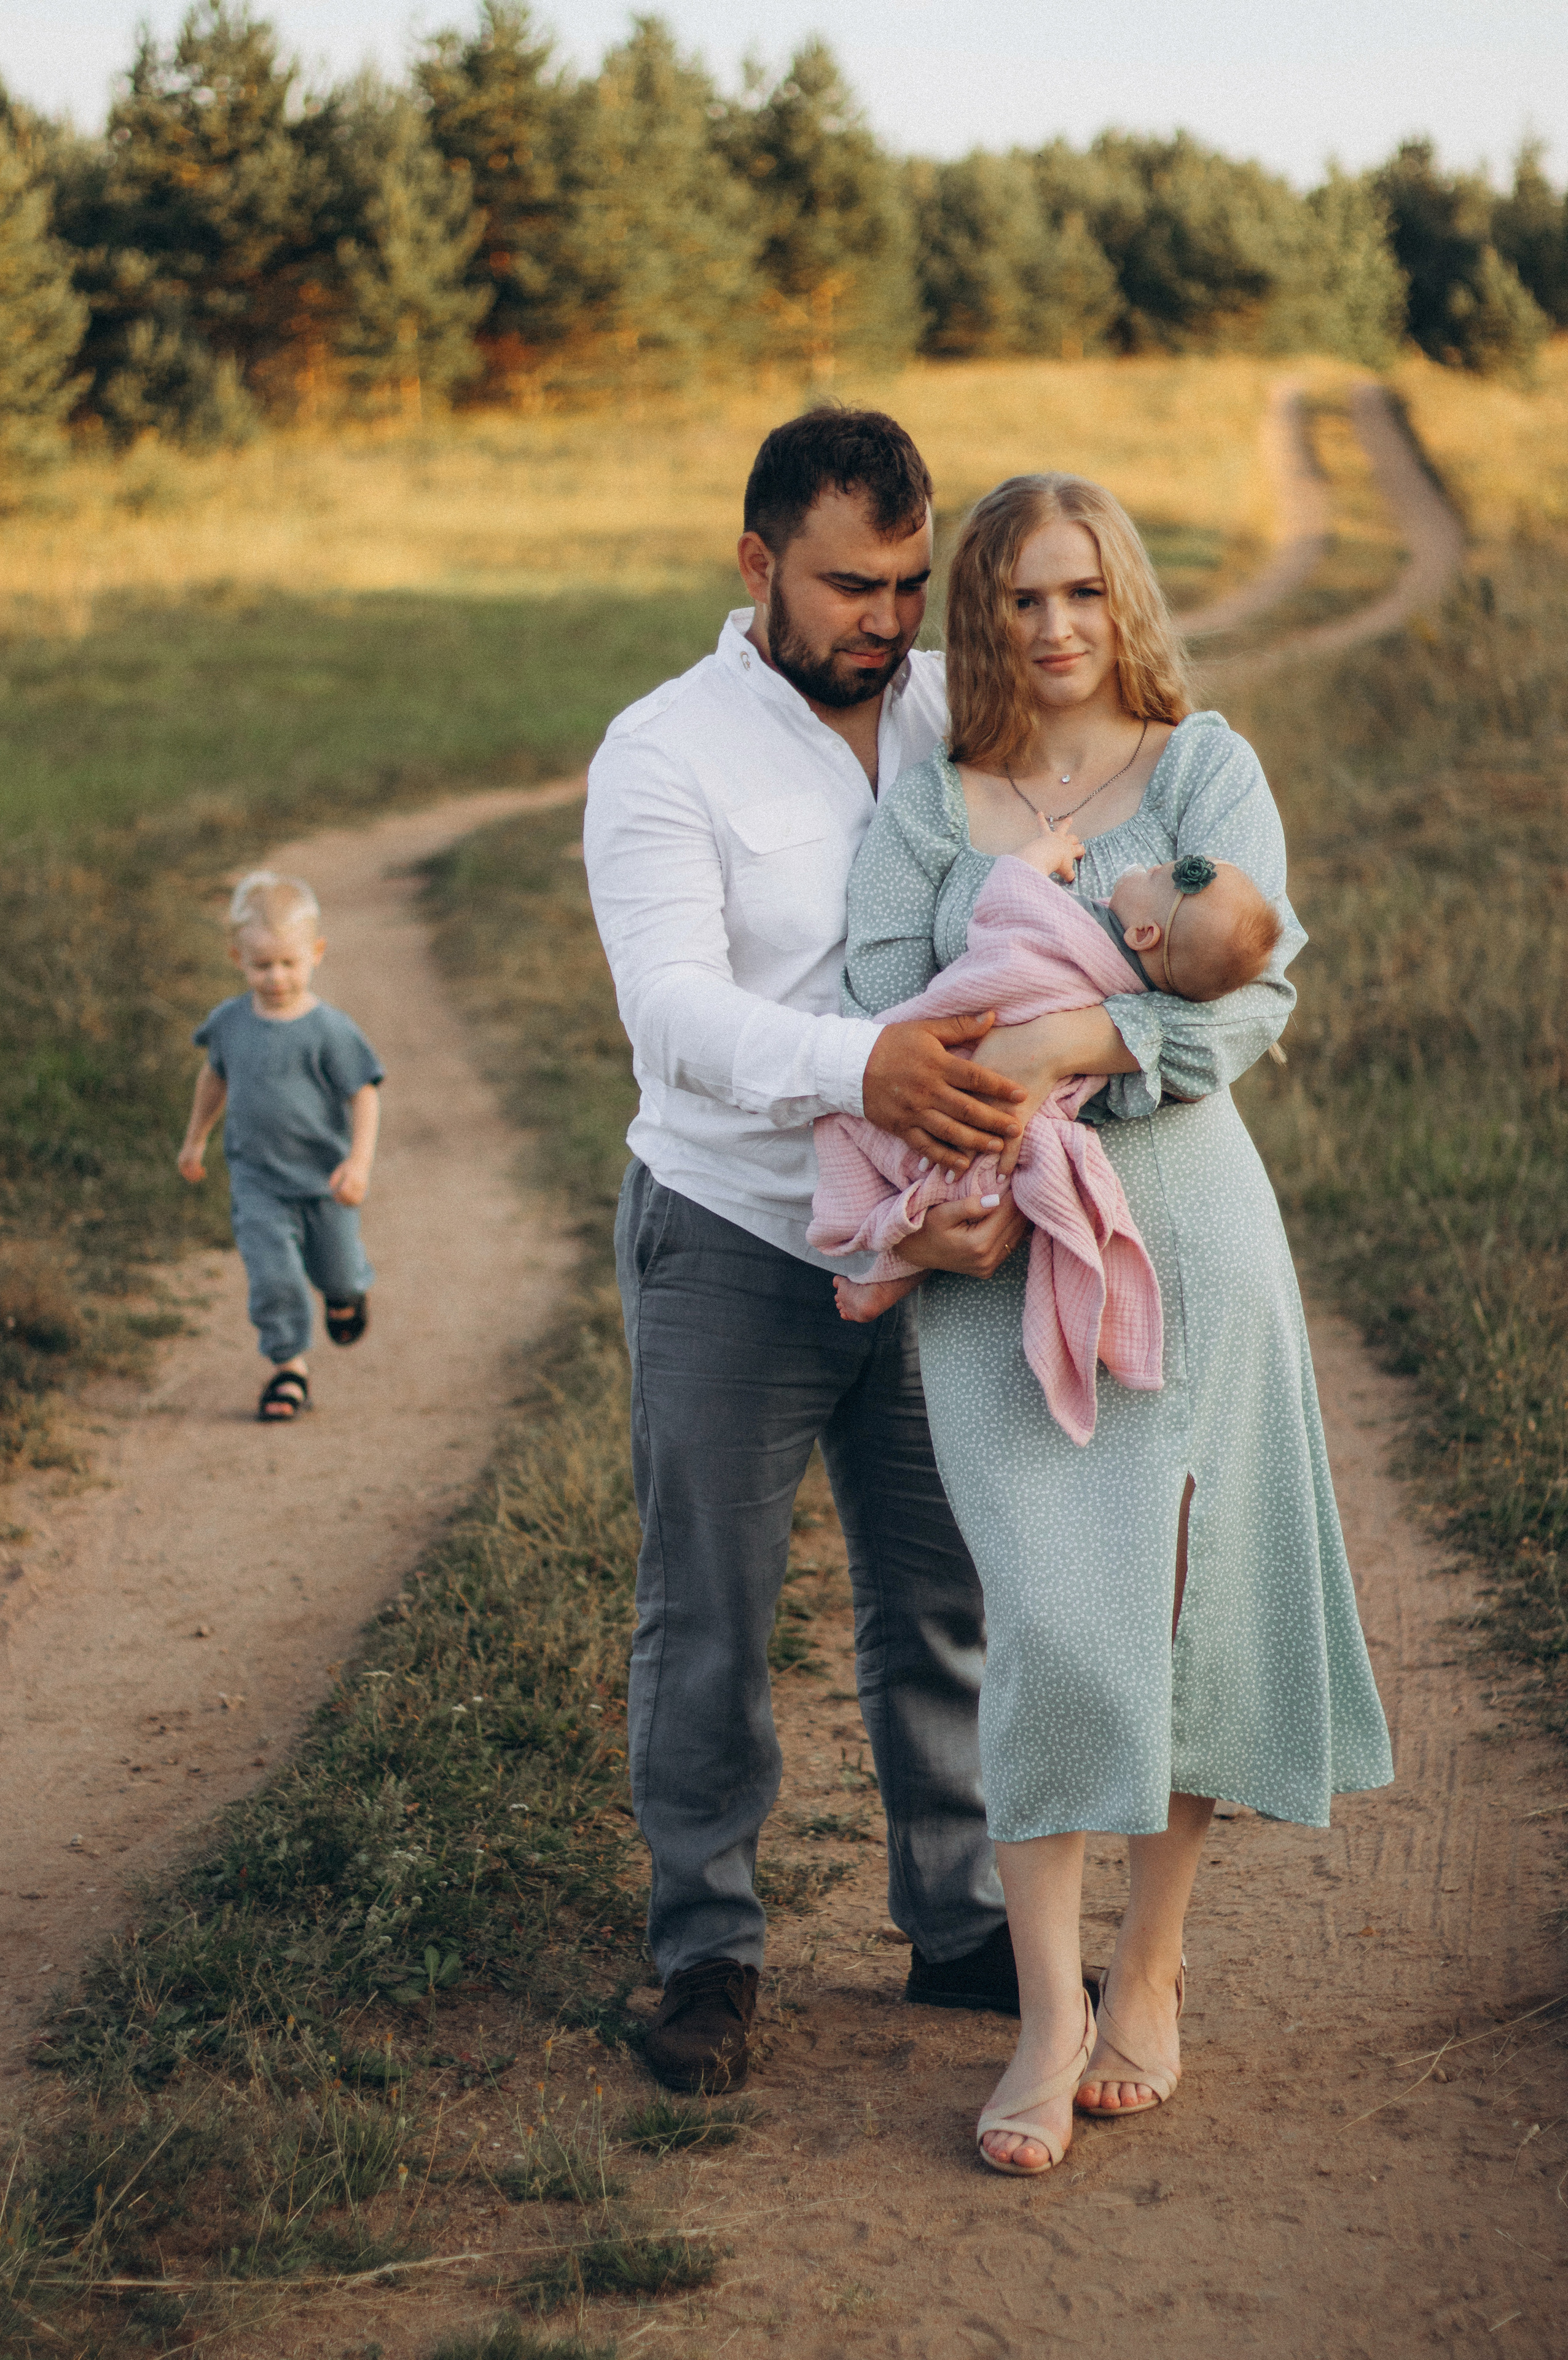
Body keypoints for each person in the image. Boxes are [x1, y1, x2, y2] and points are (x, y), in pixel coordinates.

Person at [840, 472, 1394, 2174]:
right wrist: (989, 1091)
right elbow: (876, 997)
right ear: (982, 619)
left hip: (1192, 1226)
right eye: (1020, 600)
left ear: (1122, 596)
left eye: (1083, 591)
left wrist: (1098, 1042)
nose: (1058, 627)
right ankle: (1044, 2011)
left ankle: (1145, 1970)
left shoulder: (1205, 765)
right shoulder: (935, 803)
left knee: (1186, 1600)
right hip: (1001, 1258)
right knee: (1055, 1619)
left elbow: (1265, 981)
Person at [584, 407, 1061, 2096]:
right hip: (730, 1237)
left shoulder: (951, 715)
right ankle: (704, 1950)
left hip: (935, 1250)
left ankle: (953, 1921)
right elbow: (672, 1009)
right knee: (708, 1610)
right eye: (851, 584)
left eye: (911, 584)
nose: (888, 619)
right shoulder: (662, 751)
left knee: (939, 1595)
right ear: (756, 563)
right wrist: (862, 1068)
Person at [812, 848, 1283, 1359]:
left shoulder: (1077, 930)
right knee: (973, 1178)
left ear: (1143, 934)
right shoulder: (1140, 991)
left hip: (974, 1072)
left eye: (1153, 875)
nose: (1143, 867)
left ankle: (879, 1245)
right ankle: (897, 1266)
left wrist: (1037, 857)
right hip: (1029, 1118)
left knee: (842, 1121)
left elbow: (1007, 906)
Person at [179, 870, 382, 1423]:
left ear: (315, 954)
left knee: (335, 1272)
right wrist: (195, 1139)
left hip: (324, 1180)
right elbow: (213, 1078)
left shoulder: (329, 1031)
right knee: (274, 1279)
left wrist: (358, 1162)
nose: (275, 977)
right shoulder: (229, 1023)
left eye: (289, 964)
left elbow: (364, 1096)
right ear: (237, 957)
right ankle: (289, 1368)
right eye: (261, 965)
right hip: (258, 1180)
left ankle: (347, 1294)